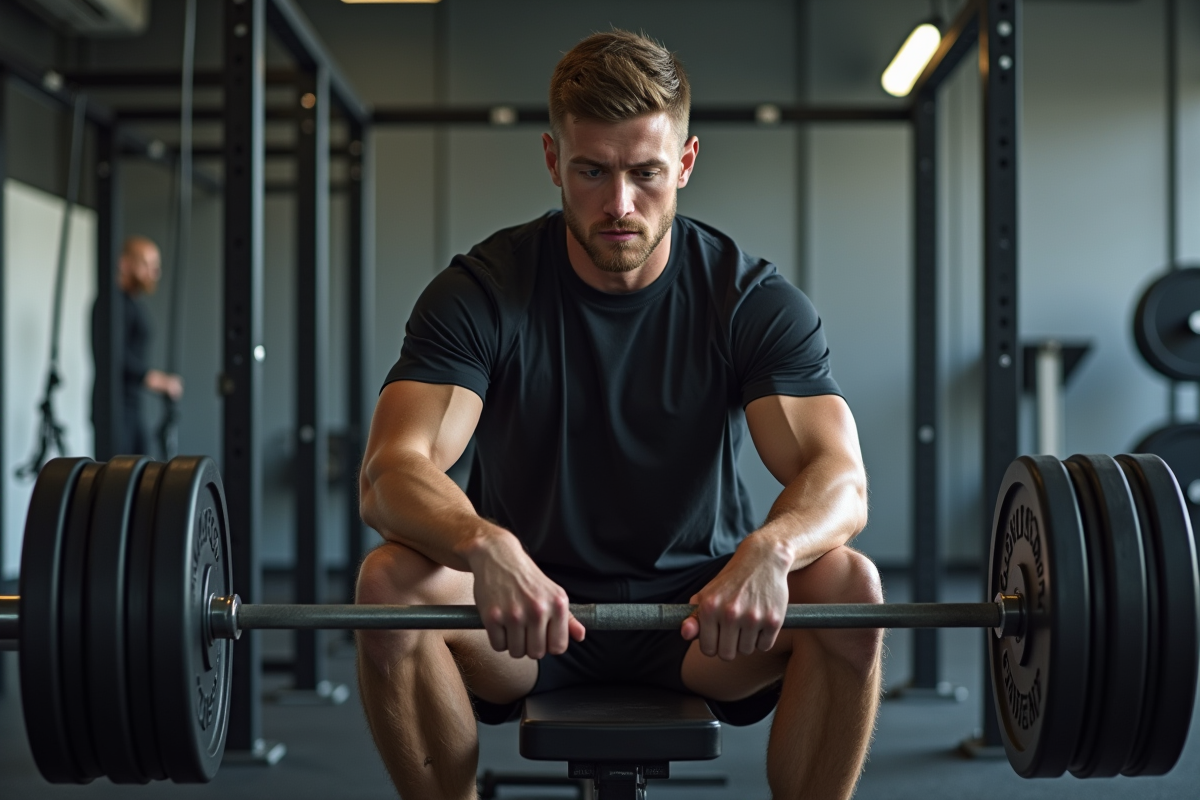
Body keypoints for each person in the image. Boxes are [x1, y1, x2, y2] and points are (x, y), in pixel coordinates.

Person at [356, 30, 882, 800]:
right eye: (592, 172)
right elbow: (390, 472)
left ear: (687, 163)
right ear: (552, 161)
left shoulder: (749, 299)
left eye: (646, 174)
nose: (619, 205)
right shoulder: (482, 292)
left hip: (705, 616)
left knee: (850, 588)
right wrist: (484, 545)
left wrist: (771, 549)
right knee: (388, 584)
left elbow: (840, 478)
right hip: (527, 614)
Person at [92, 235, 184, 454]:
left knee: (140, 474)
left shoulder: (134, 304)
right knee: (117, 481)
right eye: (147, 264)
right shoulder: (111, 304)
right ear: (125, 264)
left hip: (132, 406)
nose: (154, 272)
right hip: (113, 408)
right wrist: (157, 380)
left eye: (156, 266)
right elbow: (113, 355)